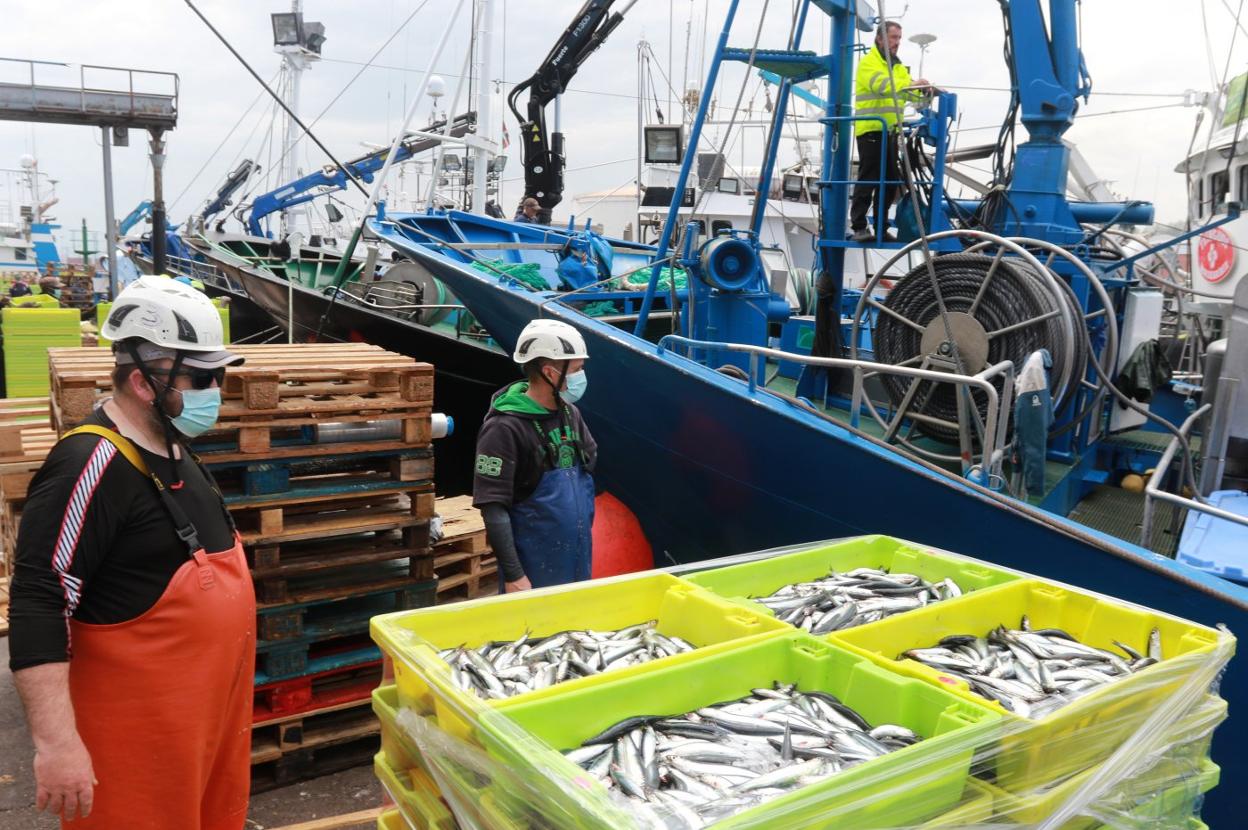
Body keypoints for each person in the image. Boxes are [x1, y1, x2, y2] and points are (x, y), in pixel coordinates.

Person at [8, 274, 252, 828]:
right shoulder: (88, 464)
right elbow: (39, 601)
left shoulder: (173, 447)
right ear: (144, 382)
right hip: (133, 756)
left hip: (205, 736)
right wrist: (58, 745)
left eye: (218, 376)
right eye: (201, 378)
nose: (215, 390)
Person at [473, 319, 597, 591]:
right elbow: (493, 508)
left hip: (577, 558)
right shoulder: (503, 429)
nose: (581, 377)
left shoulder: (570, 413)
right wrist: (514, 575)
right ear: (550, 372)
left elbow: (589, 462)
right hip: (533, 568)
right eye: (576, 369)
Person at [850, 21, 933, 243]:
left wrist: (924, 91)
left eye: (899, 38)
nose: (897, 43)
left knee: (890, 181)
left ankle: (880, 227)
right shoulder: (869, 63)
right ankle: (859, 227)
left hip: (889, 132)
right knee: (869, 178)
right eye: (893, 38)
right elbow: (884, 86)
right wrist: (912, 85)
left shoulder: (897, 66)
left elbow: (907, 91)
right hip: (871, 129)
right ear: (880, 38)